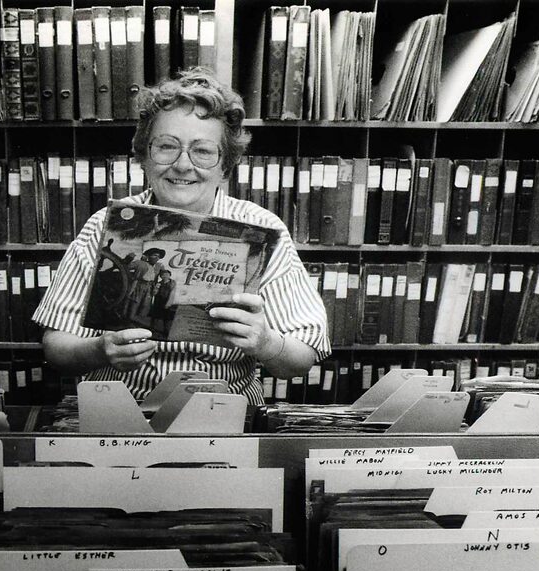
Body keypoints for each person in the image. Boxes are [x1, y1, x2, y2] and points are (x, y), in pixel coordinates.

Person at [32, 68, 330, 405]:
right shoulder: (105, 224)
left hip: (226, 415)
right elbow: (56, 345)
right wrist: (99, 350)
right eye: (166, 147)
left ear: (225, 167)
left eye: (202, 151)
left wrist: (265, 343)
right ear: (144, 156)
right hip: (124, 412)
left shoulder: (261, 229)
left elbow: (302, 357)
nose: (183, 165)